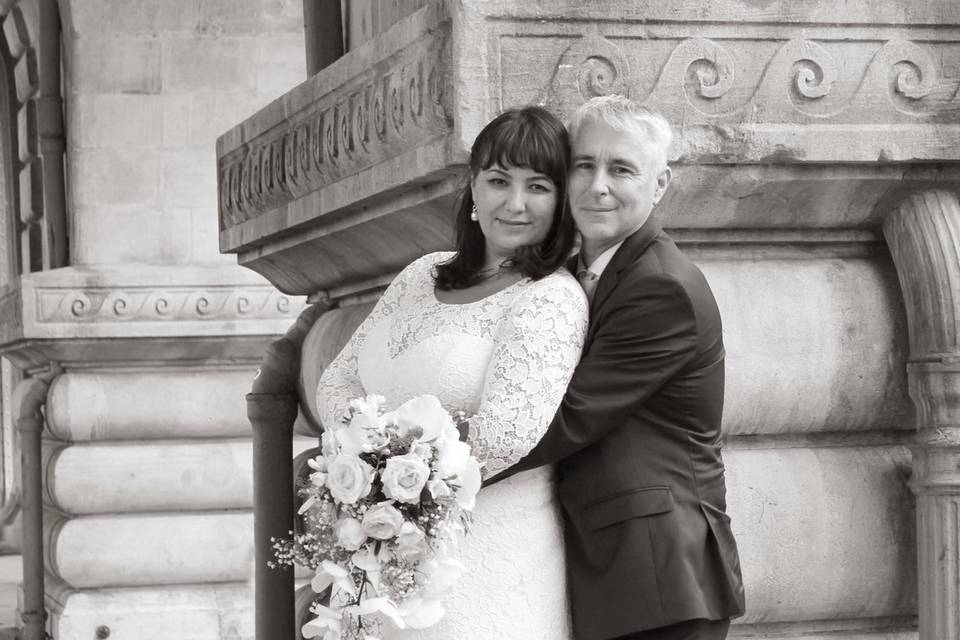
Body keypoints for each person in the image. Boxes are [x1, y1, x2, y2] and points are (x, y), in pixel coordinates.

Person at [316, 106, 588, 639]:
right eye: (497, 181)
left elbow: (507, 434)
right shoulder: (422, 274)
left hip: (480, 563)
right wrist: (368, 471)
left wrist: (390, 482)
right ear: (473, 188)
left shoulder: (550, 298)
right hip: (376, 552)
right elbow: (336, 382)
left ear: (561, 202)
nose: (514, 203)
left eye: (538, 186)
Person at [487, 95, 746, 640]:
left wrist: (417, 470)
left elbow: (568, 420)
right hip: (608, 570)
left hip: (659, 581)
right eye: (585, 165)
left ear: (659, 184)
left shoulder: (661, 287)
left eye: (621, 169)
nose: (597, 185)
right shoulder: (578, 271)